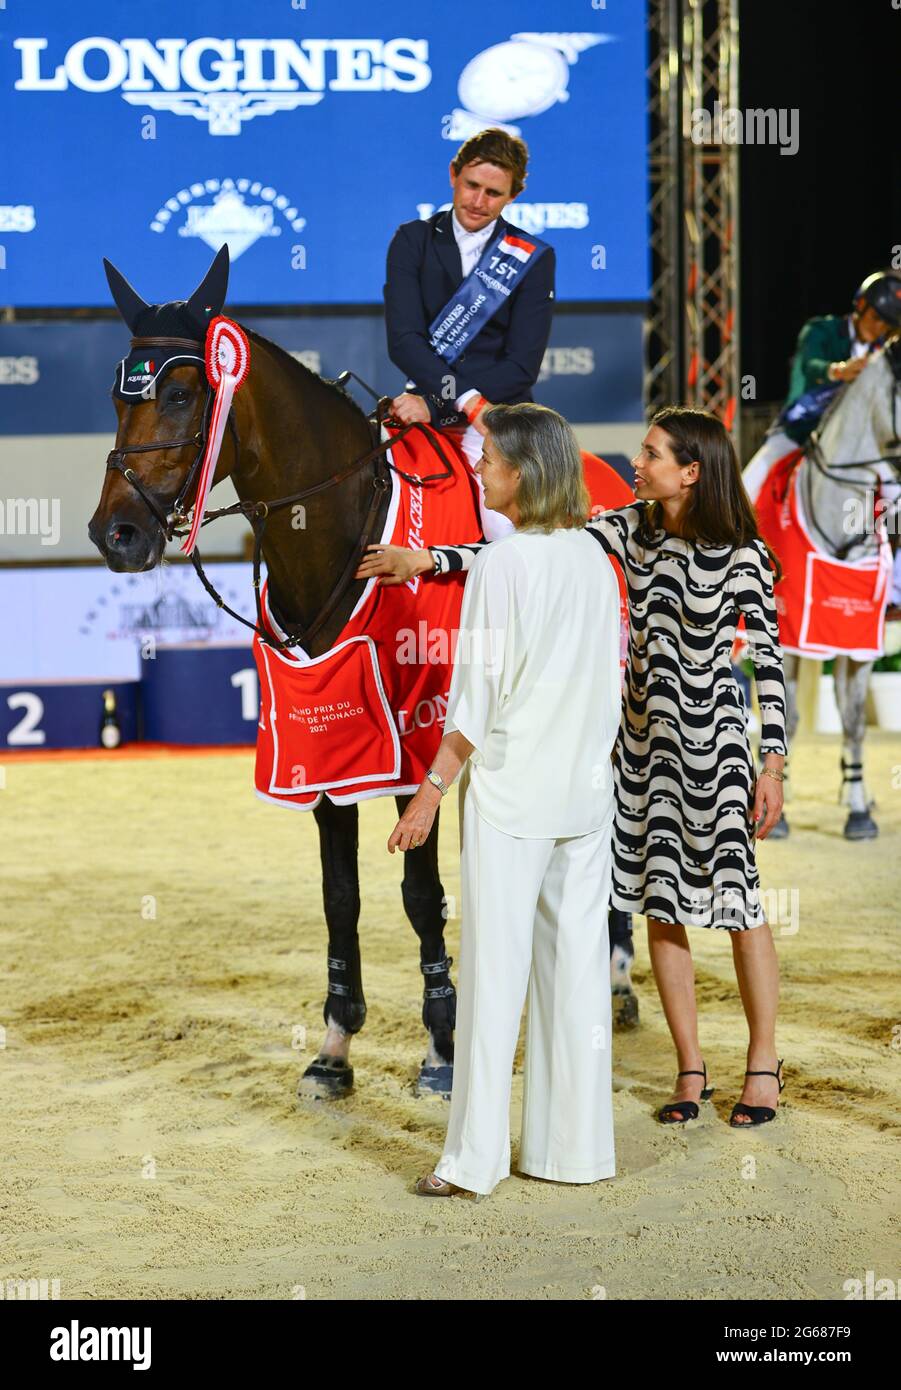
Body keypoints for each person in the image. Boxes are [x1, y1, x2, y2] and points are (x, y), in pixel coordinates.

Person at [357, 407, 790, 1131]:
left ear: (690, 471)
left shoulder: (742, 557)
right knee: (658, 902)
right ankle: (690, 1067)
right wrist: (429, 558)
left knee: (737, 905)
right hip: (637, 750)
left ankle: (762, 1063)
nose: (635, 464)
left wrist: (770, 764)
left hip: (715, 752)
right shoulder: (628, 529)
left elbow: (769, 670)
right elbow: (534, 551)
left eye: (650, 455)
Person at [375, 404, 622, 1199]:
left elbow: (472, 705)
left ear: (519, 473)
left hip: (513, 798)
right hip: (585, 796)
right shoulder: (591, 557)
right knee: (575, 976)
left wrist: (426, 796)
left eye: (487, 461)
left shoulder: (500, 566)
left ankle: (472, 1161)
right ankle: (573, 1152)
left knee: (490, 983)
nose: (477, 471)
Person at [383, 128, 556, 541]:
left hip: (498, 420)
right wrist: (456, 401)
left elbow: (521, 365)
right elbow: (404, 340)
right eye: (471, 186)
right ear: (453, 174)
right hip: (422, 405)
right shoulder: (413, 240)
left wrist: (437, 404)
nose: (478, 202)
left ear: (513, 194)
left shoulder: (532, 257)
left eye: (493, 193)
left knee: (503, 532)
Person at [743, 269, 901, 501]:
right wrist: (838, 370)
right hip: (802, 429)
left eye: (886, 325)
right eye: (876, 318)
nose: (879, 329)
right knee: (748, 484)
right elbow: (810, 364)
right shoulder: (820, 330)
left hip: (852, 440)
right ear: (861, 305)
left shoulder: (880, 355)